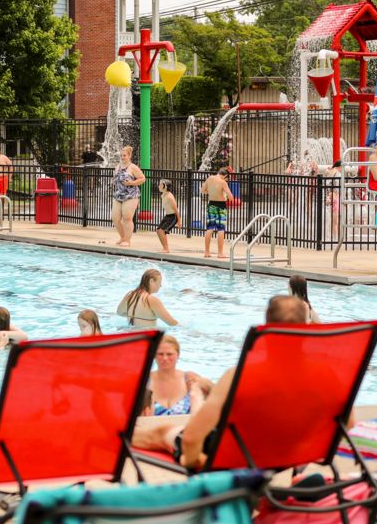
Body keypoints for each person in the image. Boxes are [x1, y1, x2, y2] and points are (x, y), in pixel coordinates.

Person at [132, 295, 309, 469]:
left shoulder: (238, 376)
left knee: (162, 433)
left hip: (239, 455)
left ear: (265, 329)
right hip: (289, 453)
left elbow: (192, 437)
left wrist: (191, 462)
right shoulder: (323, 373)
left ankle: (112, 437)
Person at [149, 335, 212, 416]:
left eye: (169, 354)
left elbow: (218, 396)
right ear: (154, 355)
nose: (165, 358)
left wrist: (205, 383)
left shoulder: (189, 378)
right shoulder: (144, 381)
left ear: (178, 355)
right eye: (160, 354)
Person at [111, 145, 145, 247]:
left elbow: (143, 179)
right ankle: (122, 237)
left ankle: (127, 240)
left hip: (131, 195)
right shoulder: (117, 166)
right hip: (119, 194)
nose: (122, 157)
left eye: (124, 155)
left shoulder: (133, 167)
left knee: (127, 218)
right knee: (115, 218)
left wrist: (131, 183)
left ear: (129, 156)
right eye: (121, 155)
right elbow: (116, 178)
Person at [201, 167, 233, 259]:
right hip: (221, 206)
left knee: (210, 228)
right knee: (220, 229)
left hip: (211, 205)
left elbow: (203, 190)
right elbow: (231, 197)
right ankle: (220, 253)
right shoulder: (223, 182)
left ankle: (206, 252)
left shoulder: (210, 178)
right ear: (225, 176)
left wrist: (211, 192)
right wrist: (225, 194)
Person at [155, 179, 181, 253]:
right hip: (168, 215)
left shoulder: (169, 197)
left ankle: (166, 248)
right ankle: (164, 247)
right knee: (158, 230)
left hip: (173, 216)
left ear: (165, 186)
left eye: (160, 184)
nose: (159, 186)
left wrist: (179, 221)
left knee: (162, 231)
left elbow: (176, 209)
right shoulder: (163, 195)